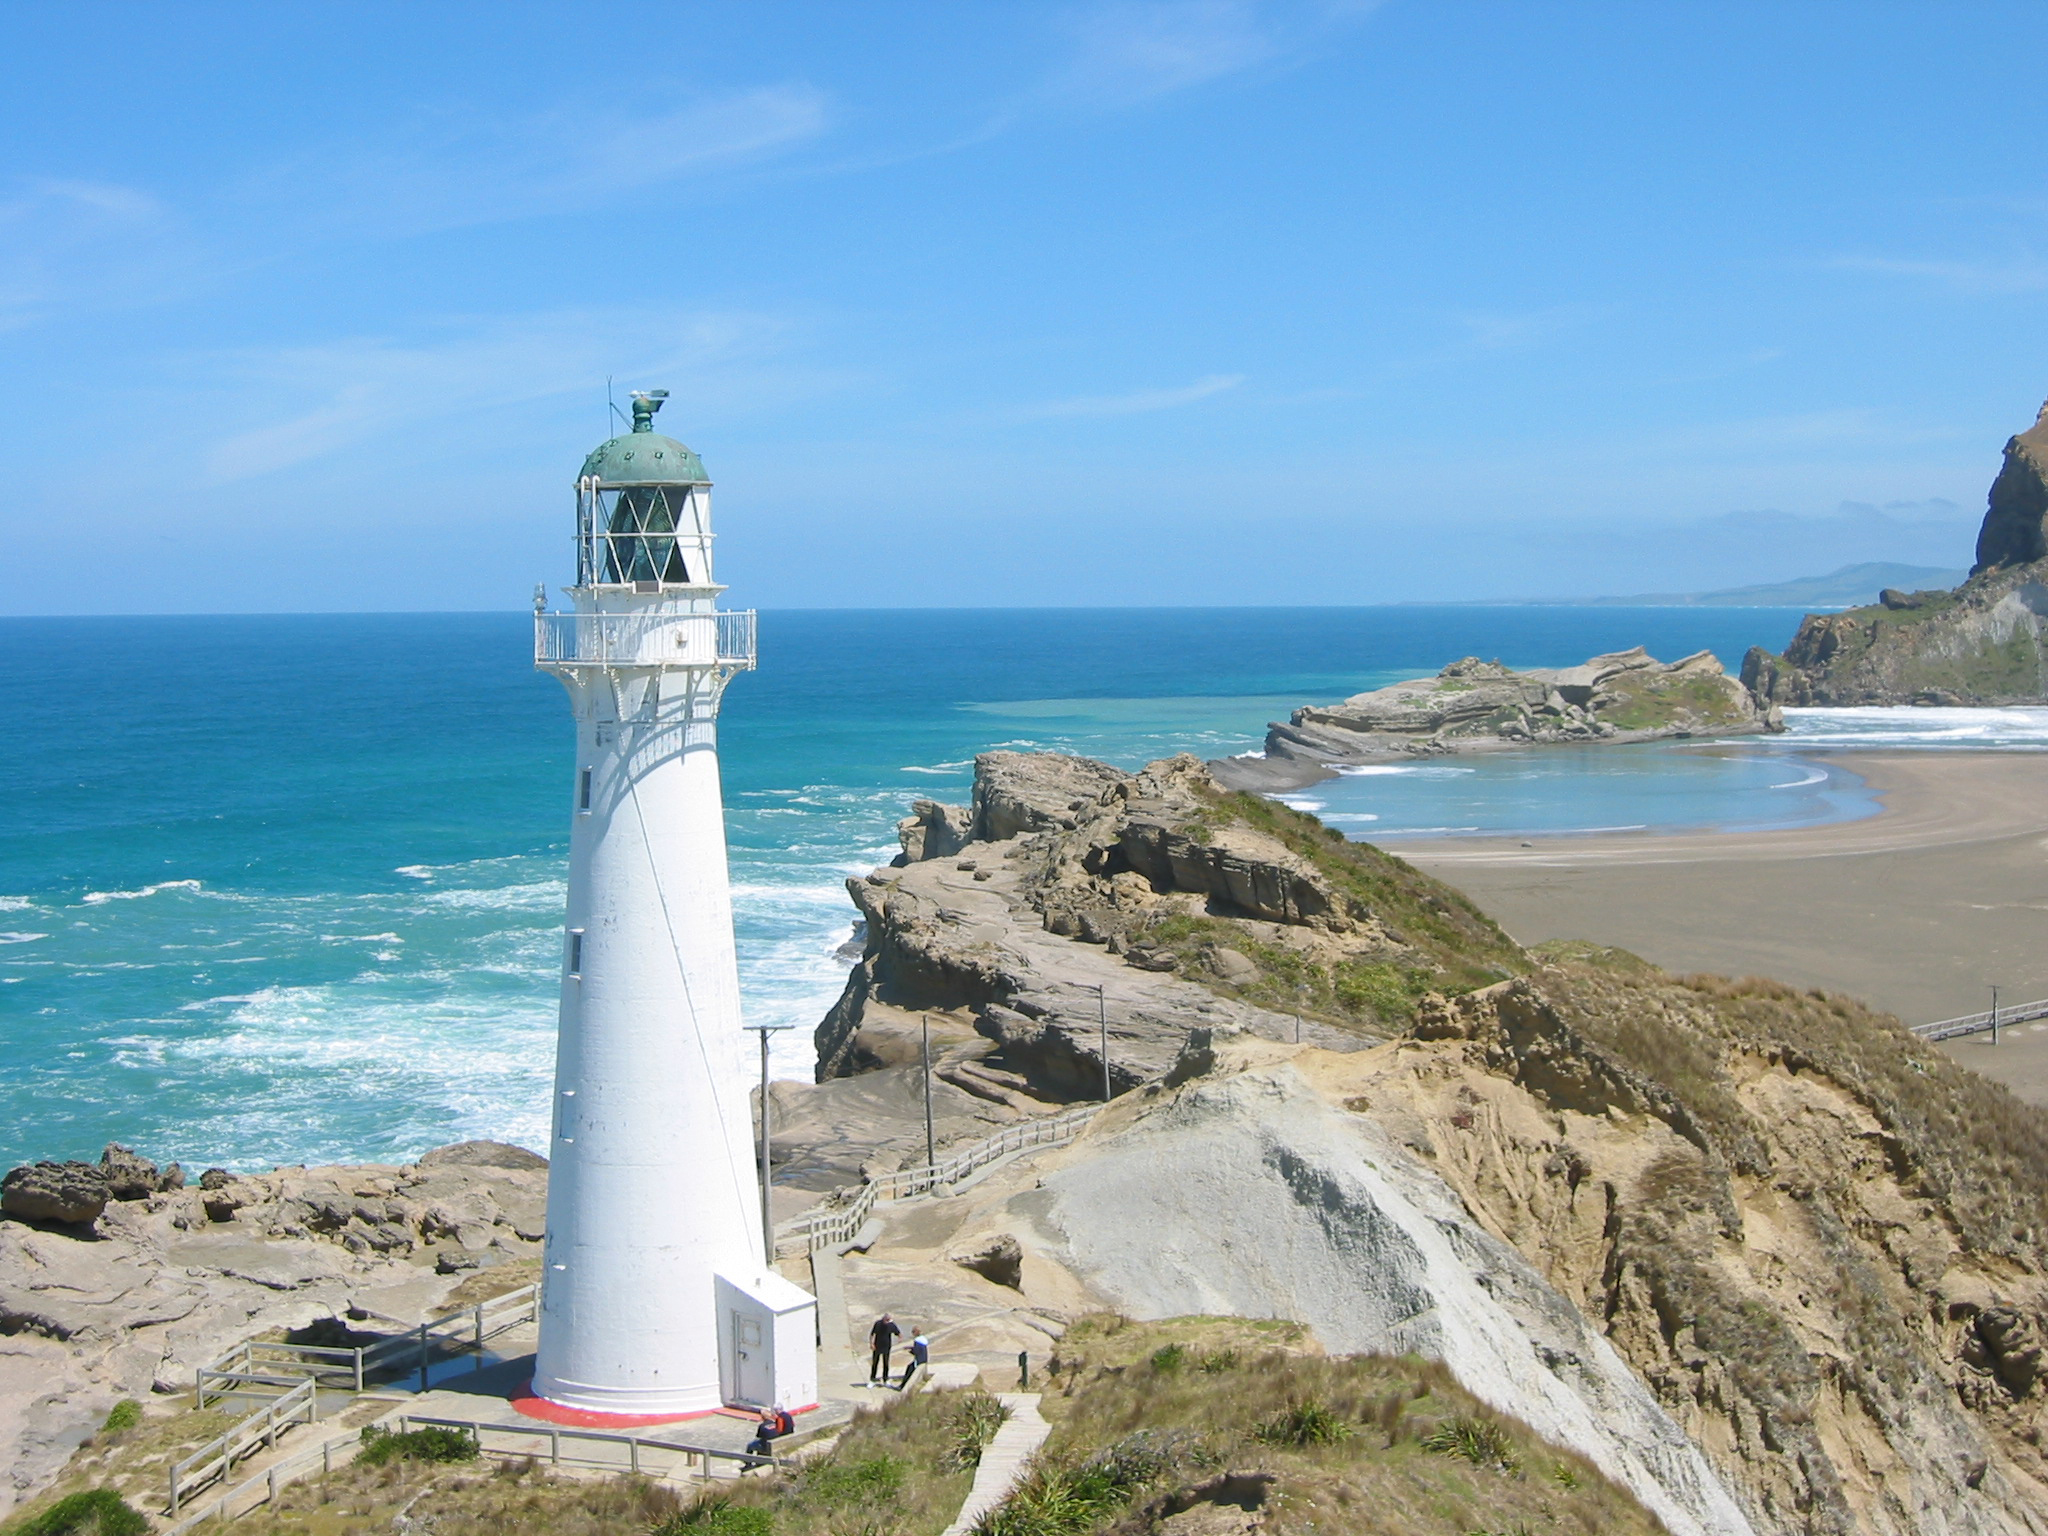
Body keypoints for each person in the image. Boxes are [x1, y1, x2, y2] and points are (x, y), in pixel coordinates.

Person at [868, 1312, 901, 1385]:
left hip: (886, 1346)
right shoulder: (878, 1324)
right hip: (877, 1346)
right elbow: (872, 1334)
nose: (888, 1322)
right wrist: (871, 1343)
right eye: (887, 1320)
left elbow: (898, 1333)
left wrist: (899, 1338)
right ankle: (872, 1379)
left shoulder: (891, 1325)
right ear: (884, 1319)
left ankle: (885, 1379)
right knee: (875, 1363)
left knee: (886, 1363)